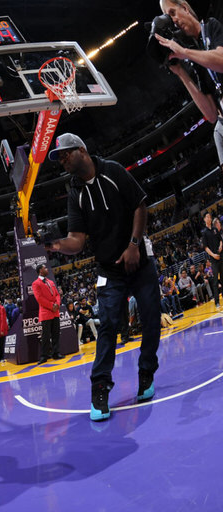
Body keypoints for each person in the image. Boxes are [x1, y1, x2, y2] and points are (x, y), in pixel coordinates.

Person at [46, 133, 161, 422]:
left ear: (81, 149)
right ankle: (100, 387)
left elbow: (140, 205)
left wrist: (134, 245)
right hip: (109, 269)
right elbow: (77, 240)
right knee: (108, 326)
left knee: (151, 317)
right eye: (59, 158)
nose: (61, 160)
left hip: (138, 261)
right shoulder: (74, 191)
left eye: (64, 154)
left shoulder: (113, 170)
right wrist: (55, 245)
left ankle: (146, 372)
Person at [156, 0, 223, 168]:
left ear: (185, 8)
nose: (174, 21)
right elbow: (211, 114)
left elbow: (221, 61)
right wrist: (180, 73)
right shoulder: (196, 57)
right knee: (217, 130)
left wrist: (185, 53)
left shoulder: (212, 25)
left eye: (173, 13)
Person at [31, 264, 62, 364]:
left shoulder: (51, 281)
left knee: (56, 334)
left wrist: (57, 304)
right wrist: (51, 305)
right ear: (40, 270)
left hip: (55, 311)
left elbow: (57, 294)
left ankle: (56, 353)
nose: (47, 269)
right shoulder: (35, 283)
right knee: (45, 336)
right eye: (45, 268)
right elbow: (39, 298)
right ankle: (44, 356)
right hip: (46, 313)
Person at [200, 211, 222, 307]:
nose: (209, 218)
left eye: (210, 217)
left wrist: (221, 246)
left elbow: (220, 240)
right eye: (207, 217)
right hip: (213, 259)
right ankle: (217, 302)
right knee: (215, 281)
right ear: (204, 219)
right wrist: (213, 255)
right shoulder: (204, 232)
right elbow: (205, 248)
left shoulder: (214, 229)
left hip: (221, 256)